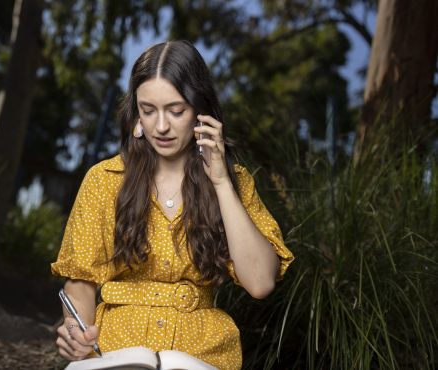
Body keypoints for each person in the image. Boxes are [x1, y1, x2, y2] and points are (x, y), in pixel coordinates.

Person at [51, 40, 294, 370]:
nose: (161, 126)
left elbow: (261, 282)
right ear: (136, 113)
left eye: (176, 111)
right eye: (148, 110)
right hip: (113, 351)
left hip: (201, 353)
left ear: (200, 111)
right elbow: (80, 284)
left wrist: (221, 182)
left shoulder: (234, 181)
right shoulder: (105, 179)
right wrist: (76, 337)